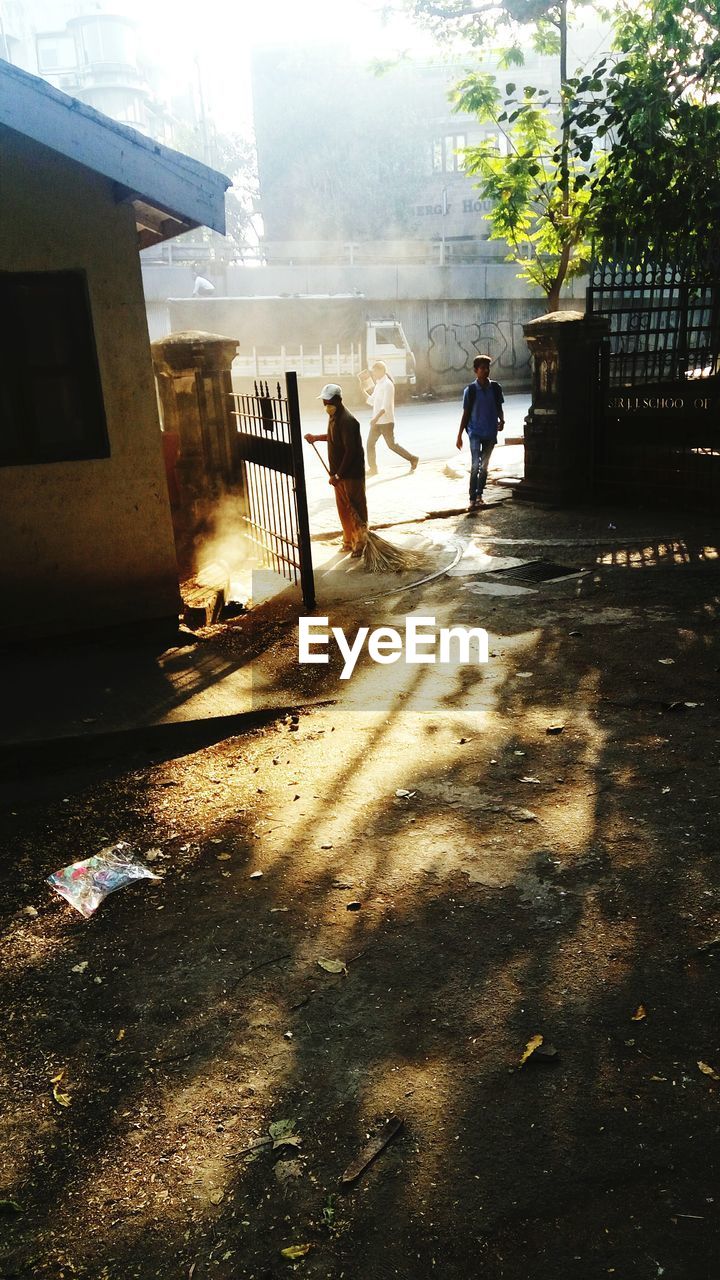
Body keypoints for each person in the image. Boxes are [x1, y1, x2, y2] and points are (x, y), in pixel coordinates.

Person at [305, 383, 368, 557]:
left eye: (329, 401)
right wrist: (316, 438)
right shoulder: (333, 417)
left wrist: (339, 474)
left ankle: (360, 544)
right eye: (324, 402)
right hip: (339, 476)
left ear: (338, 400)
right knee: (344, 511)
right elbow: (333, 438)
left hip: (351, 475)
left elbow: (351, 451)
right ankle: (348, 541)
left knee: (356, 509)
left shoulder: (348, 421)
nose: (326, 405)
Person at [456, 355, 505, 510]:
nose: (485, 371)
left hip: (490, 432)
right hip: (475, 432)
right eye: (482, 368)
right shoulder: (470, 391)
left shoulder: (496, 388)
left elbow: (499, 407)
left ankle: (479, 495)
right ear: (476, 371)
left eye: (487, 368)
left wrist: (502, 421)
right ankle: (472, 498)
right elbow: (465, 414)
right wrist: (459, 435)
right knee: (475, 465)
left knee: (484, 466)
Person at [363, 361, 418, 477]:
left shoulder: (388, 385)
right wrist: (361, 390)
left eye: (375, 372)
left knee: (391, 445)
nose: (373, 374)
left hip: (386, 422)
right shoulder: (378, 384)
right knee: (370, 444)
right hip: (377, 422)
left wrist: (375, 419)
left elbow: (385, 406)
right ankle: (373, 469)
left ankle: (413, 458)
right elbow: (371, 401)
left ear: (382, 371)